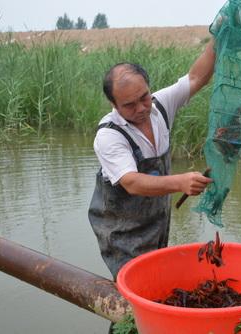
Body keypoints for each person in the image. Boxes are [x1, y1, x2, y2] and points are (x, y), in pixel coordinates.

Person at [88, 40, 215, 280]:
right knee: (133, 295)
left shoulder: (160, 106)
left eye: (144, 97)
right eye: (129, 105)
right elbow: (132, 182)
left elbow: (197, 77)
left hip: (157, 224)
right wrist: (180, 182)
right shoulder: (109, 135)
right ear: (113, 105)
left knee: (158, 284)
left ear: (148, 88)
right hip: (122, 236)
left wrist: (218, 36)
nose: (141, 108)